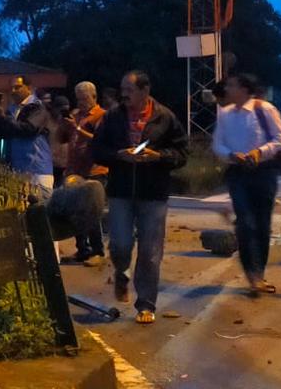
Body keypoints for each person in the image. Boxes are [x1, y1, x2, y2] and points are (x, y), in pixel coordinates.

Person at [92, 70, 188, 324]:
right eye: (122, 89)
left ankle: (146, 304)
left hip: (153, 194)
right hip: (121, 191)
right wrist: (117, 155)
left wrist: (159, 156)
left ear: (145, 91)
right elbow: (97, 149)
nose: (124, 94)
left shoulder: (165, 117)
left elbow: (182, 152)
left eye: (130, 90)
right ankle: (121, 272)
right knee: (120, 244)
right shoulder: (113, 117)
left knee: (150, 251)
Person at [212, 74, 281, 295]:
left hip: (264, 172)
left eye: (232, 85)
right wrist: (231, 155)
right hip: (238, 172)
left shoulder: (264, 109)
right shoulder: (225, 114)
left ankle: (259, 273)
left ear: (245, 89)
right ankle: (251, 274)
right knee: (245, 223)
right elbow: (217, 144)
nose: (227, 89)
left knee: (262, 224)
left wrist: (260, 152)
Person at [63, 81, 108, 266]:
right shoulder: (76, 115)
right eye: (78, 99)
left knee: (91, 211)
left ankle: (97, 251)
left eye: (84, 99)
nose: (81, 103)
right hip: (75, 170)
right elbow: (63, 138)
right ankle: (82, 249)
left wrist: (77, 129)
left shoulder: (101, 115)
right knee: (75, 210)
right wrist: (65, 126)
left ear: (94, 97)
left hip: (94, 170)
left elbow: (100, 140)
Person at [0, 76, 54, 196]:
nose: (13, 91)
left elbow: (28, 129)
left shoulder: (37, 107)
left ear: (29, 88)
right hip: (18, 169)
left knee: (40, 204)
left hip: (36, 169)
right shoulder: (12, 110)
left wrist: (3, 116)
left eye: (18, 87)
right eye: (11, 88)